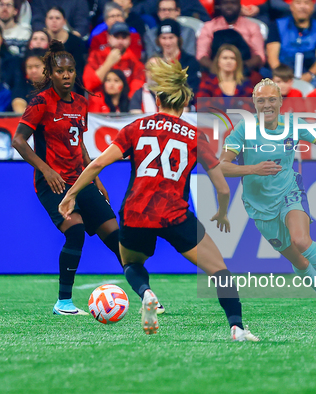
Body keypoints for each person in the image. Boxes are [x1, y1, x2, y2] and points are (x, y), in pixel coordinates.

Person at [59, 59, 259, 341]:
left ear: (156, 99)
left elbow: (96, 165)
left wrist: (71, 194)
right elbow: (223, 188)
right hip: (174, 213)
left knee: (132, 265)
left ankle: (147, 294)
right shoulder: (195, 137)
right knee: (220, 271)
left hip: (136, 212)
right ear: (186, 102)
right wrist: (223, 212)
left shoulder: (136, 128)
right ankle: (237, 328)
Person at [220, 78, 316, 320]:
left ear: (281, 101)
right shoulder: (243, 129)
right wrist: (253, 169)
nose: (267, 105)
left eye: (272, 99)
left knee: (302, 241)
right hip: (259, 205)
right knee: (299, 260)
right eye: (261, 100)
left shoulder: (294, 123)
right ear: (254, 103)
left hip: (289, 192)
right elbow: (222, 166)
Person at [12, 40, 129, 316]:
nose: (66, 76)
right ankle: (63, 302)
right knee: (75, 233)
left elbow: (80, 144)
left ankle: (147, 295)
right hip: (51, 183)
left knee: (117, 238)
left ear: (76, 73)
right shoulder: (41, 102)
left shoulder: (80, 103)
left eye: (71, 71)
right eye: (60, 71)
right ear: (50, 74)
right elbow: (18, 141)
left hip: (81, 180)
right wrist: (46, 169)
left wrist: (95, 176)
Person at [83, 21, 146, 110]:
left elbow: (137, 88)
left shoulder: (134, 61)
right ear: (108, 38)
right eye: (116, 37)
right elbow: (88, 84)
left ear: (129, 39)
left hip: (125, 107)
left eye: (124, 37)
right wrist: (108, 63)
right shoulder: (96, 56)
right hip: (99, 108)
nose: (120, 41)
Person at [266, 0, 316, 84]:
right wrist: (284, 78)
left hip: (311, 78)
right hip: (282, 76)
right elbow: (272, 57)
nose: (302, 7)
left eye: (306, 3)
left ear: (313, 7)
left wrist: (309, 76)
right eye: (298, 3)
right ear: (291, 7)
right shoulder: (277, 25)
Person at [196, 0, 265, 72]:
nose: (229, 6)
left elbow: (259, 55)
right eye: (225, 3)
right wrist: (218, 70)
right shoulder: (209, 27)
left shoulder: (252, 27)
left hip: (245, 71)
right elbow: (201, 56)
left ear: (240, 6)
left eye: (233, 3)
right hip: (214, 71)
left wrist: (241, 69)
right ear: (219, 6)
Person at [156, 19, 200, 95]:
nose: (167, 42)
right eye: (164, 38)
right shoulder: (155, 61)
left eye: (171, 37)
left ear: (178, 39)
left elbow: (193, 87)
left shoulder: (190, 62)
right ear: (158, 40)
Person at [45, 6, 85, 88]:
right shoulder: (40, 39)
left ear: (64, 21)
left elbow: (79, 69)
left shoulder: (75, 41)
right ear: (46, 21)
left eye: (57, 18)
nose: (54, 21)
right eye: (51, 18)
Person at [12, 48, 46, 113]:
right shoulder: (22, 86)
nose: (33, 71)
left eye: (37, 66)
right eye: (29, 67)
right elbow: (18, 106)